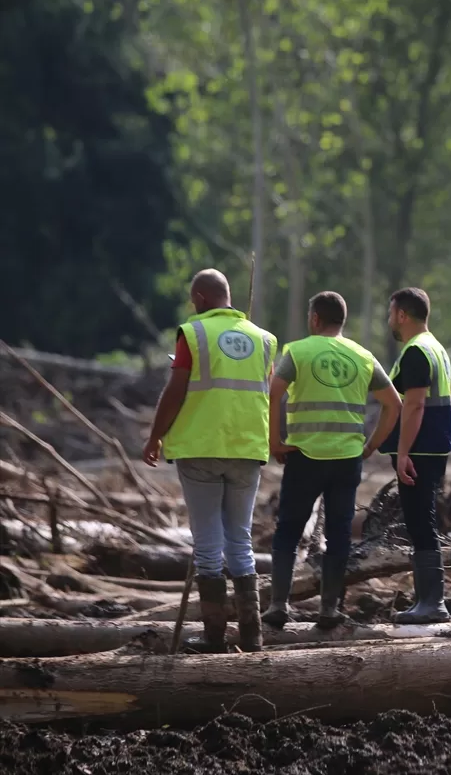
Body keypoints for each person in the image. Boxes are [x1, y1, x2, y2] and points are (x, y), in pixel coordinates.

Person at [142, 268, 277, 652]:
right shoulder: (265, 339)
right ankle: (252, 635)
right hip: (246, 449)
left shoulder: (194, 333)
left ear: (200, 298)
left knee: (207, 544)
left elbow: (175, 390)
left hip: (200, 448)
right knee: (240, 540)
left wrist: (155, 436)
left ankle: (215, 636)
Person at [262, 292, 401, 629]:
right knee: (339, 535)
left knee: (289, 532)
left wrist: (274, 441)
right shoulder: (363, 356)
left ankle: (279, 605)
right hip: (346, 459)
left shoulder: (298, 351)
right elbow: (393, 404)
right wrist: (371, 445)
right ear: (343, 320)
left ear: (314, 319)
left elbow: (275, 391)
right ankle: (329, 610)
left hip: (304, 456)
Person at [380, 287, 451, 624]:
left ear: (401, 315)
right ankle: (427, 600)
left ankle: (431, 602)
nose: (389, 320)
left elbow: (414, 404)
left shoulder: (415, 351)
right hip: (435, 447)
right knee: (422, 519)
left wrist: (403, 452)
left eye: (390, 313)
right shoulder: (437, 348)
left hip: (418, 451)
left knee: (419, 521)